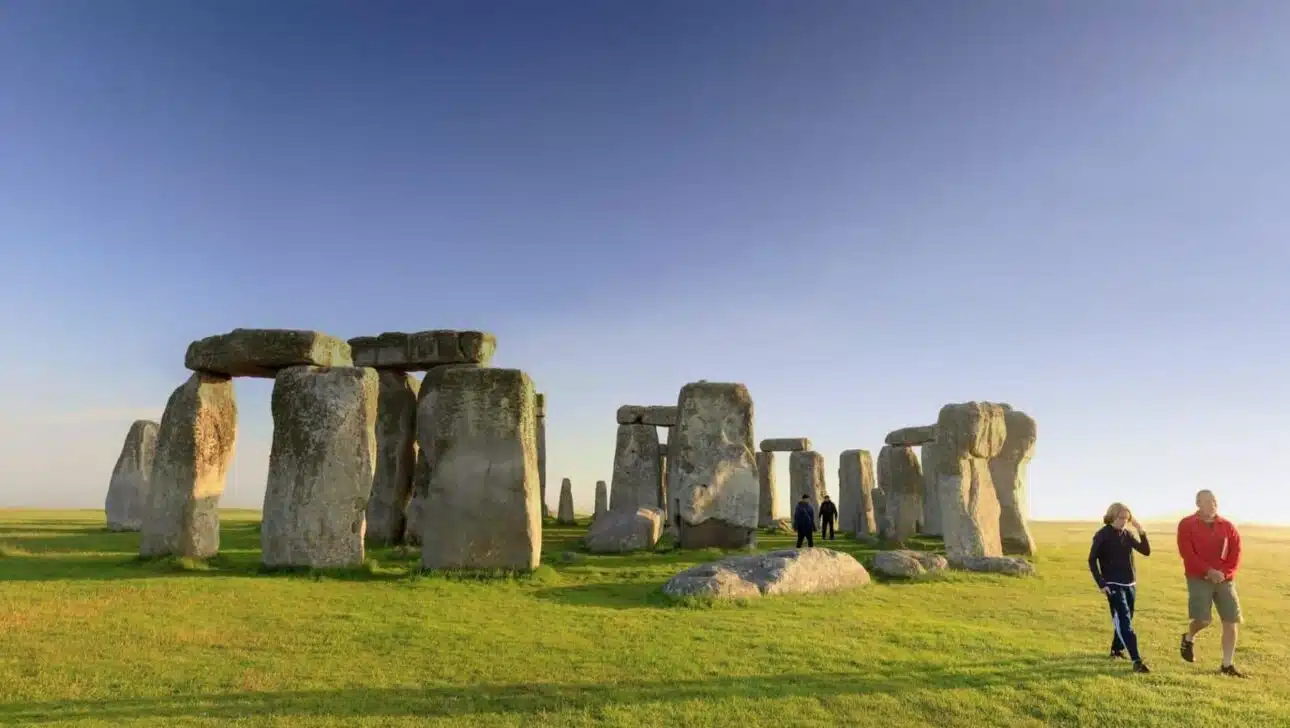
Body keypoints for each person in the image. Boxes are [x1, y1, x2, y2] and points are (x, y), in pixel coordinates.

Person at [1177, 489, 1247, 677]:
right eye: (1207, 501)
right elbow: (1187, 553)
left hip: (1224, 579)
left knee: (1231, 621)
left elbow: (1236, 554)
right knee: (1203, 620)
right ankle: (1189, 636)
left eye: (1214, 500)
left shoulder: (1227, 526)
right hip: (1199, 577)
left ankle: (1227, 665)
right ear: (1198, 503)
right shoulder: (1187, 524)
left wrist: (1224, 573)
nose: (1212, 504)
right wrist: (1208, 571)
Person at [1088, 503, 1152, 673]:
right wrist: (1102, 583)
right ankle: (1137, 660)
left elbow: (1146, 551)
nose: (1124, 521)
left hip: (1130, 584)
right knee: (1124, 619)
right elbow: (1092, 560)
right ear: (1112, 516)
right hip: (1113, 585)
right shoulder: (1102, 535)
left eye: (1127, 518)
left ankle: (1116, 650)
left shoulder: (1127, 534)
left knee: (1127, 618)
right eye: (1121, 518)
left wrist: (1141, 530)